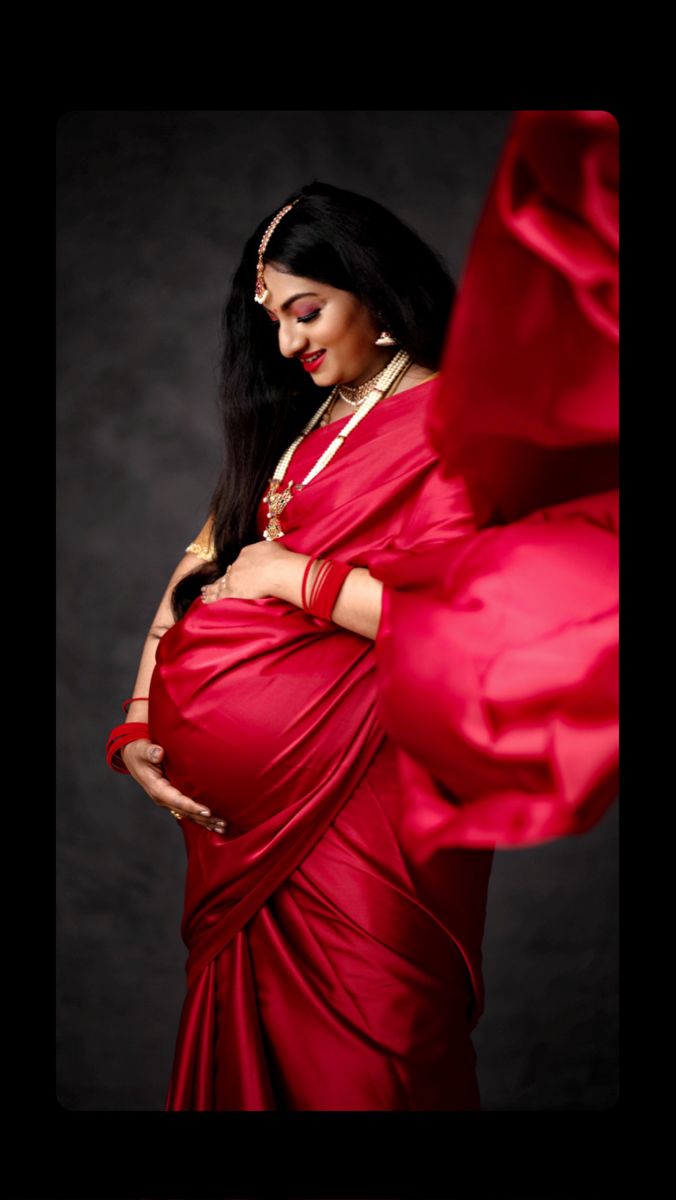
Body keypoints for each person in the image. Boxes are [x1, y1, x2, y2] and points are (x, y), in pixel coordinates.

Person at [106, 179, 495, 1110]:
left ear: (378, 292)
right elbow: (200, 564)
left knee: (369, 1068)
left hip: (374, 812)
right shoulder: (300, 429)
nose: (287, 344)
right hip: (242, 839)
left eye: (306, 311)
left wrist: (299, 580)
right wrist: (138, 722)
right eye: (273, 319)